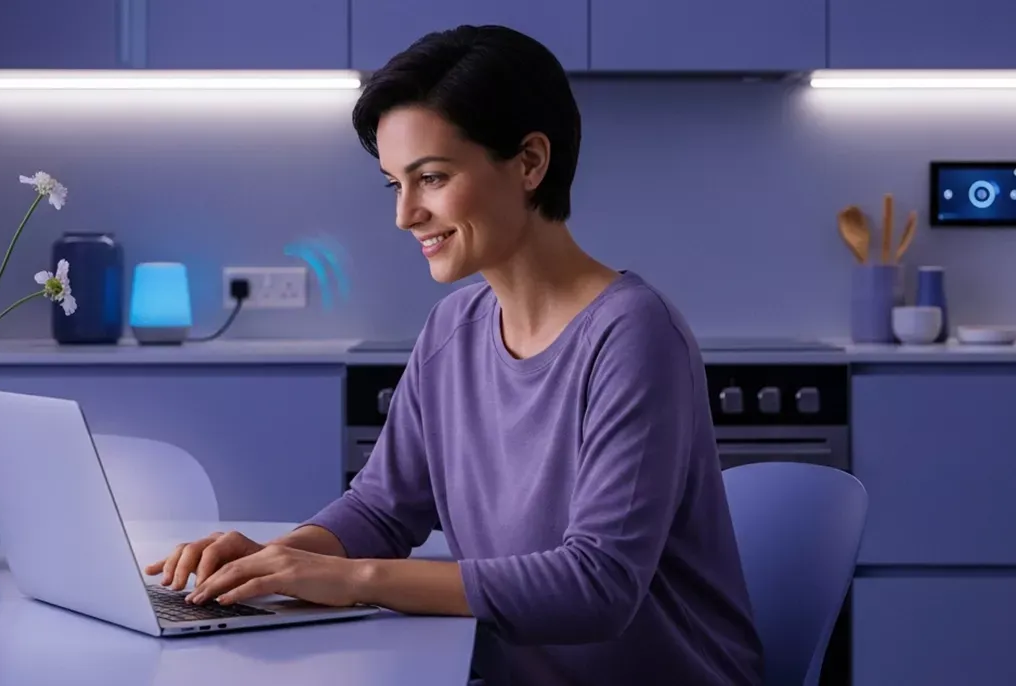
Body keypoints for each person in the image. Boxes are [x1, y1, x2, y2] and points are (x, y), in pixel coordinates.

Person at [143, 24, 764, 685]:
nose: (406, 215)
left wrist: (356, 580)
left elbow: (597, 585)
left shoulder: (635, 335)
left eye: (431, 178)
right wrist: (272, 559)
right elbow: (382, 509)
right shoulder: (452, 329)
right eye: (394, 185)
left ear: (529, 162)